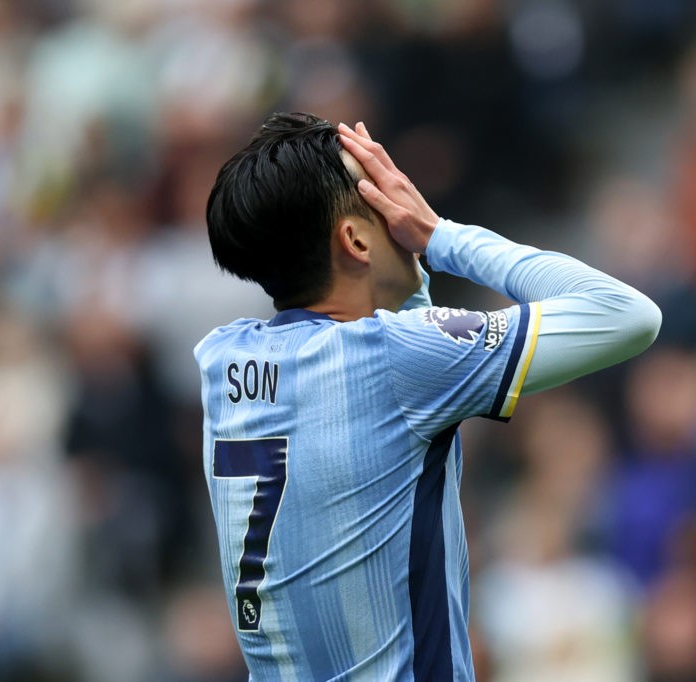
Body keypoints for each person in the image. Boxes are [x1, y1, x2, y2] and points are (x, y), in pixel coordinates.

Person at [196, 112, 661, 681]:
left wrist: (405, 279)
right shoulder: (394, 358)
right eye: (385, 196)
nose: (403, 206)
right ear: (355, 239)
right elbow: (627, 315)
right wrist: (440, 235)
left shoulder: (221, 361)